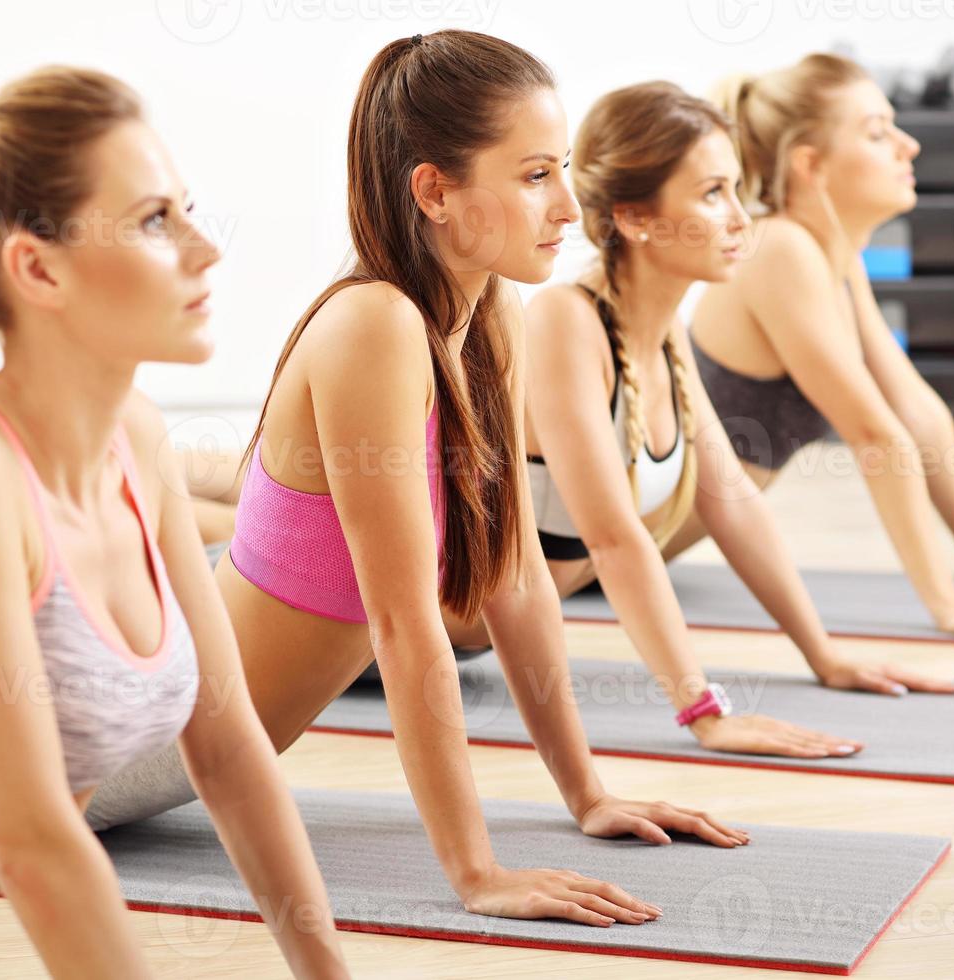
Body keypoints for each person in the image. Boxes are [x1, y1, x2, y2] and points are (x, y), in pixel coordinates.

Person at [84, 32, 752, 930]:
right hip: (125, 734)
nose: (567, 206)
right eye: (532, 176)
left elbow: (516, 581)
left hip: (169, 673)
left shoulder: (493, 316)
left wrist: (587, 794)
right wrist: (475, 872)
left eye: (561, 170)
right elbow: (403, 629)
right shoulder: (375, 326)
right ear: (435, 191)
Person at [0, 67, 349, 978]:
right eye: (153, 221)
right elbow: (32, 844)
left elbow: (226, 742)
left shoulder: (137, 437)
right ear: (38, 267)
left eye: (187, 210)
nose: (206, 249)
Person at [445, 80, 954, 761]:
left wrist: (825, 656)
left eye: (737, 190)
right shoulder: (568, 321)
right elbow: (614, 540)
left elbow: (732, 504)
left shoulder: (661, 334)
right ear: (635, 218)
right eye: (713, 193)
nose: (742, 219)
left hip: (468, 647)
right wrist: (704, 712)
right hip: (372, 630)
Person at [682, 54, 954, 637]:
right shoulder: (778, 249)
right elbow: (874, 436)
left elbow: (914, 412)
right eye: (878, 132)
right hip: (567, 539)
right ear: (811, 165)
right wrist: (948, 607)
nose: (908, 145)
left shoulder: (834, 257)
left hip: (620, 547)